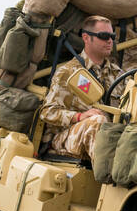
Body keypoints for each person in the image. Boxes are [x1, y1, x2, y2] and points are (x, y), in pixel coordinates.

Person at [40, 15, 123, 159]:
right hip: (66, 137)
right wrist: (80, 116)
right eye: (103, 36)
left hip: (107, 135)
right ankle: (109, 179)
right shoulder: (68, 72)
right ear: (86, 38)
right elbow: (48, 112)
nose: (109, 40)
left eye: (112, 36)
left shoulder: (118, 75)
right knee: (98, 121)